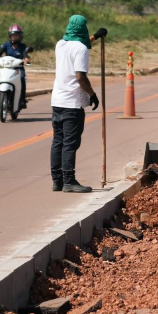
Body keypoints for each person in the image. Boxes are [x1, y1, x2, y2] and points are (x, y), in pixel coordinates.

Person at [50, 14, 106, 193]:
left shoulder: (60, 44)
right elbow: (80, 77)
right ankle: (69, 181)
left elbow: (78, 43)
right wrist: (92, 94)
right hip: (72, 103)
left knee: (58, 141)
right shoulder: (81, 49)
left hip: (57, 101)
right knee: (70, 143)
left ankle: (57, 181)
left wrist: (96, 37)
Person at [0, 24, 31, 107]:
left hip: (18, 69)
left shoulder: (23, 46)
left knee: (22, 78)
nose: (15, 37)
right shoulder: (5, 45)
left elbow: (25, 55)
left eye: (17, 36)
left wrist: (26, 59)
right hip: (7, 68)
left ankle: (22, 99)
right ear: (10, 36)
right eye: (13, 36)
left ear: (20, 36)